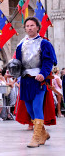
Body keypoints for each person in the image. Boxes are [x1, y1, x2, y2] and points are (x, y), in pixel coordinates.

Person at [15, 17, 57, 148]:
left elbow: (48, 61)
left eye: (32, 25)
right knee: (29, 109)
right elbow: (18, 64)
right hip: (25, 80)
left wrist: (43, 74)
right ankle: (43, 133)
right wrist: (13, 71)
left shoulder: (44, 43)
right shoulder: (21, 45)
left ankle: (36, 137)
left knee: (37, 107)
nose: (29, 28)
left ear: (37, 27)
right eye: (27, 26)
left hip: (38, 80)